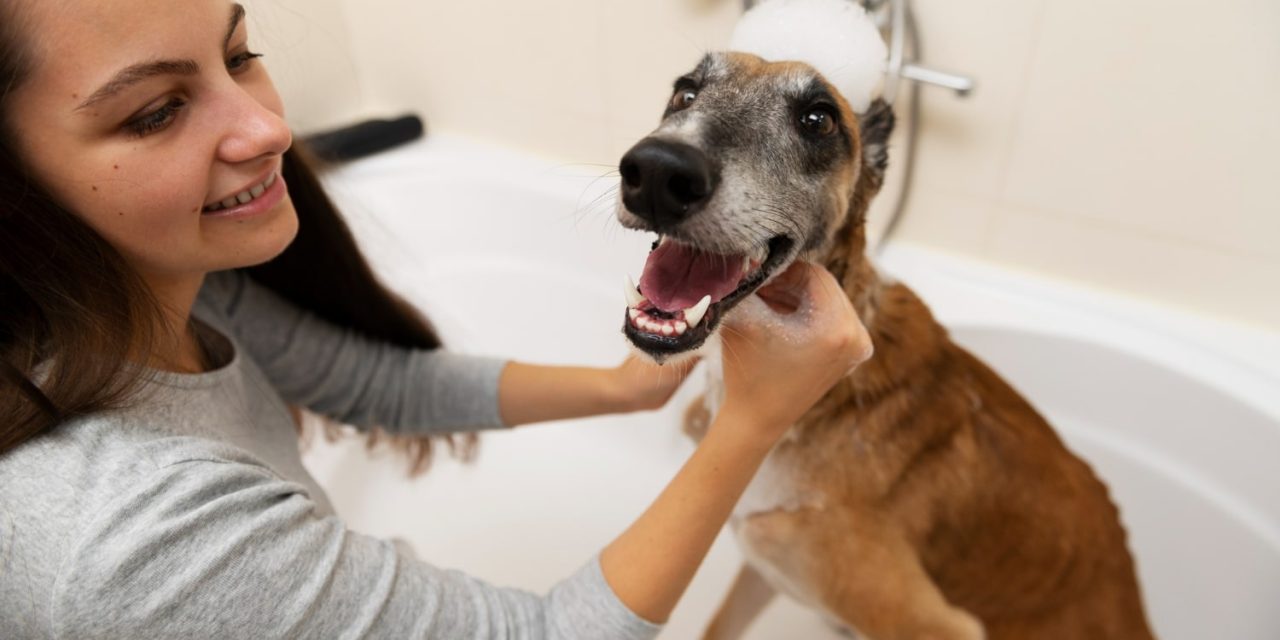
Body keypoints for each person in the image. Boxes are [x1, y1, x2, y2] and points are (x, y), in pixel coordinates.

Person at [0, 1, 872, 638]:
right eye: (154, 111)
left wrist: (624, 389)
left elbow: (376, 382)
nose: (266, 127)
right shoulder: (132, 544)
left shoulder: (162, 281)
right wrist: (753, 422)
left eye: (238, 54)